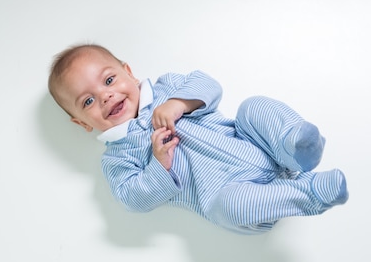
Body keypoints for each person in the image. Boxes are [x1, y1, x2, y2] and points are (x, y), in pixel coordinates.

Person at [48, 44, 348, 234]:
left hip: (252, 143)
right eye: (87, 102)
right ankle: (311, 193)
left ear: (129, 73)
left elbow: (208, 84)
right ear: (81, 123)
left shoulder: (168, 87)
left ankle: (296, 147)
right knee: (229, 208)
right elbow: (131, 199)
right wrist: (159, 165)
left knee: (253, 107)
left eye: (109, 80)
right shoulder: (117, 157)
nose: (106, 96)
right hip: (228, 192)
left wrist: (180, 103)